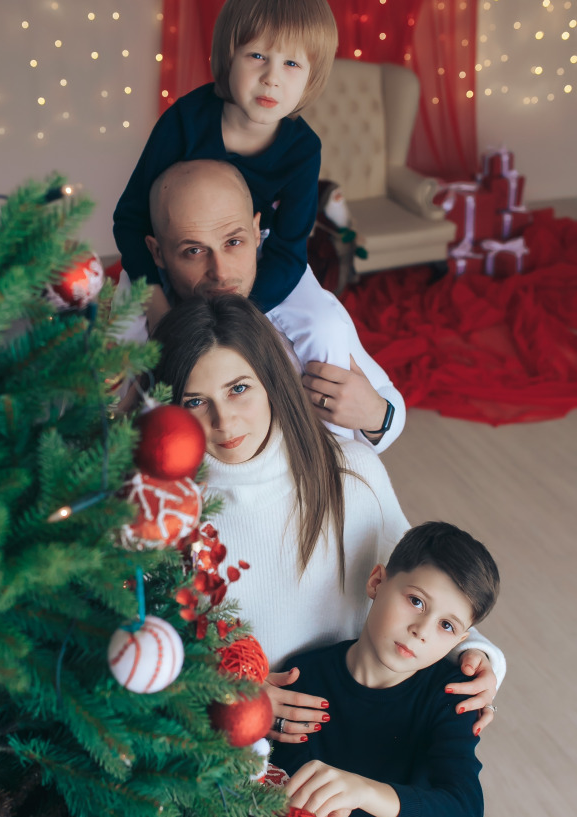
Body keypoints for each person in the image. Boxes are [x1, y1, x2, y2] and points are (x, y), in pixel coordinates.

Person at [151, 295, 505, 741]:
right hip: (233, 749)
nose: (224, 421)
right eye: (195, 401)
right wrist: (234, 699)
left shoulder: (352, 471)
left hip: (357, 728)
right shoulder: (161, 511)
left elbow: (424, 582)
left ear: (271, 381)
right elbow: (149, 646)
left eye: (239, 389)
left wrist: (478, 654)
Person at [113, 0, 401, 448]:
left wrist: (244, 313)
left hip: (266, 256)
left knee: (325, 323)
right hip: (170, 250)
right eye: (257, 56)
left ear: (312, 76)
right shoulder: (185, 120)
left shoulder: (303, 147)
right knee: (124, 336)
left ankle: (331, 443)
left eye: (292, 64)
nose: (271, 77)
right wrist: (158, 303)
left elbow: (290, 249)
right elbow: (131, 220)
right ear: (229, 55)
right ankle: (136, 450)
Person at [272, 521, 500, 817]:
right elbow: (287, 786)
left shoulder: (448, 698)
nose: (421, 630)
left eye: (447, 626)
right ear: (377, 583)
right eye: (416, 601)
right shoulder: (305, 680)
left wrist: (362, 790)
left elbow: (462, 816)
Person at [118, 159, 405, 452]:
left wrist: (376, 416)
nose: (220, 272)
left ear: (256, 232)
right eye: (194, 250)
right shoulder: (135, 333)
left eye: (233, 242)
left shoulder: (307, 319)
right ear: (158, 252)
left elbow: (386, 400)